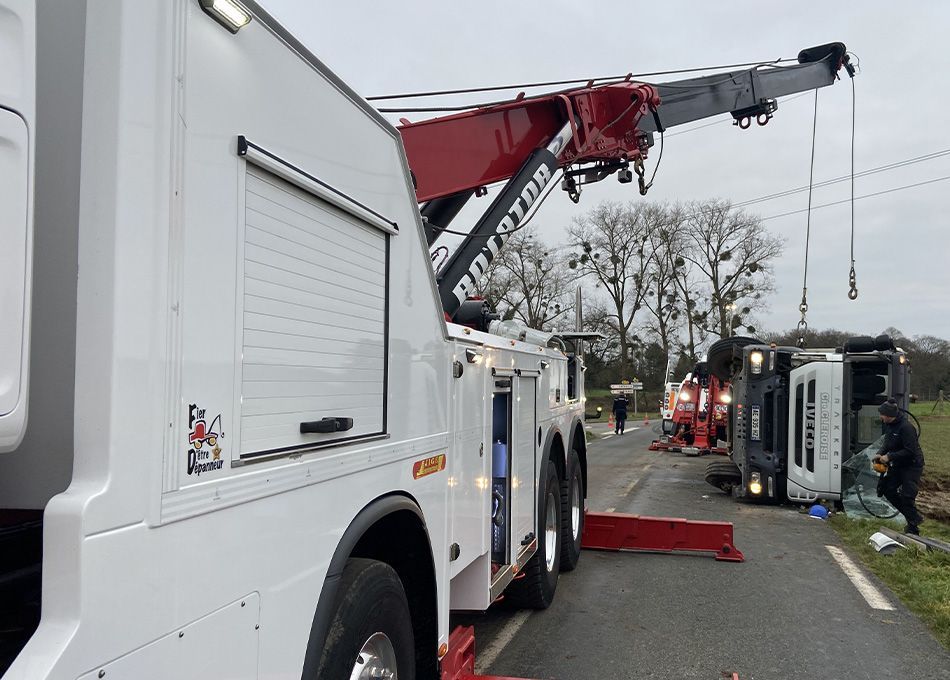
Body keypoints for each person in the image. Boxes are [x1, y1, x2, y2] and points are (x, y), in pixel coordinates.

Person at [873, 399, 926, 535]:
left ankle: (913, 527)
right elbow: (887, 442)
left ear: (889, 415)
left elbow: (910, 451)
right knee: (887, 489)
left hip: (912, 465)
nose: (880, 417)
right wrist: (880, 453)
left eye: (882, 414)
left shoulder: (906, 428)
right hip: (898, 464)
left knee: (907, 496)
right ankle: (914, 518)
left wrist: (889, 457)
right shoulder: (890, 426)